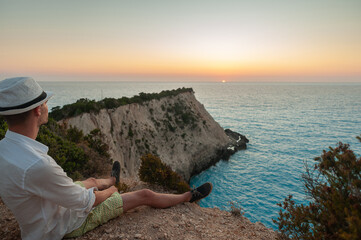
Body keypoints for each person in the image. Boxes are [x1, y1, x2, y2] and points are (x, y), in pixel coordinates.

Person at [0, 77, 213, 240]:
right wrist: (112, 193)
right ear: (38, 110)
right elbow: (87, 202)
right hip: (60, 226)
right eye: (45, 102)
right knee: (144, 194)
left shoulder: (5, 149)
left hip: (40, 214)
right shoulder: (39, 166)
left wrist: (100, 186)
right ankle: (187, 196)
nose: (47, 106)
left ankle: (111, 179)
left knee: (92, 181)